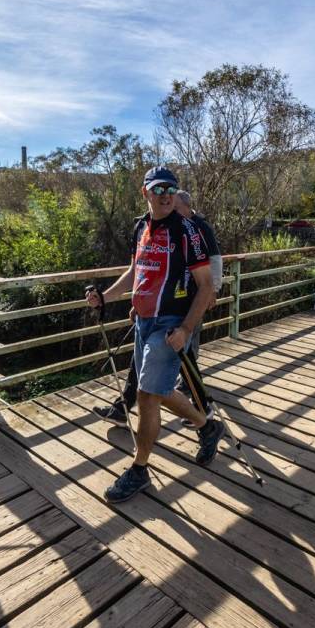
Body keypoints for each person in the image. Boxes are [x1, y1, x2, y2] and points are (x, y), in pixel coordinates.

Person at [86, 166, 222, 503]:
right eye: (159, 189)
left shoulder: (187, 231)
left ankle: (139, 469)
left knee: (148, 395)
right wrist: (107, 296)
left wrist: (186, 329)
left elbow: (206, 286)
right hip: (144, 322)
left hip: (171, 323)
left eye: (172, 189)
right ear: (145, 192)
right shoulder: (140, 227)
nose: (166, 195)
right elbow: (137, 272)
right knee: (158, 392)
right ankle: (207, 426)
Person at [92, 190, 221, 427]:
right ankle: (125, 407)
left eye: (174, 201)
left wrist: (212, 291)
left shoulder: (196, 228)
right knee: (151, 370)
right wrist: (137, 302)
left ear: (185, 207)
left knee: (181, 366)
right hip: (153, 314)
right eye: (159, 193)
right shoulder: (147, 227)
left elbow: (214, 261)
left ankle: (205, 415)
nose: (169, 204)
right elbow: (144, 270)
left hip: (186, 307)